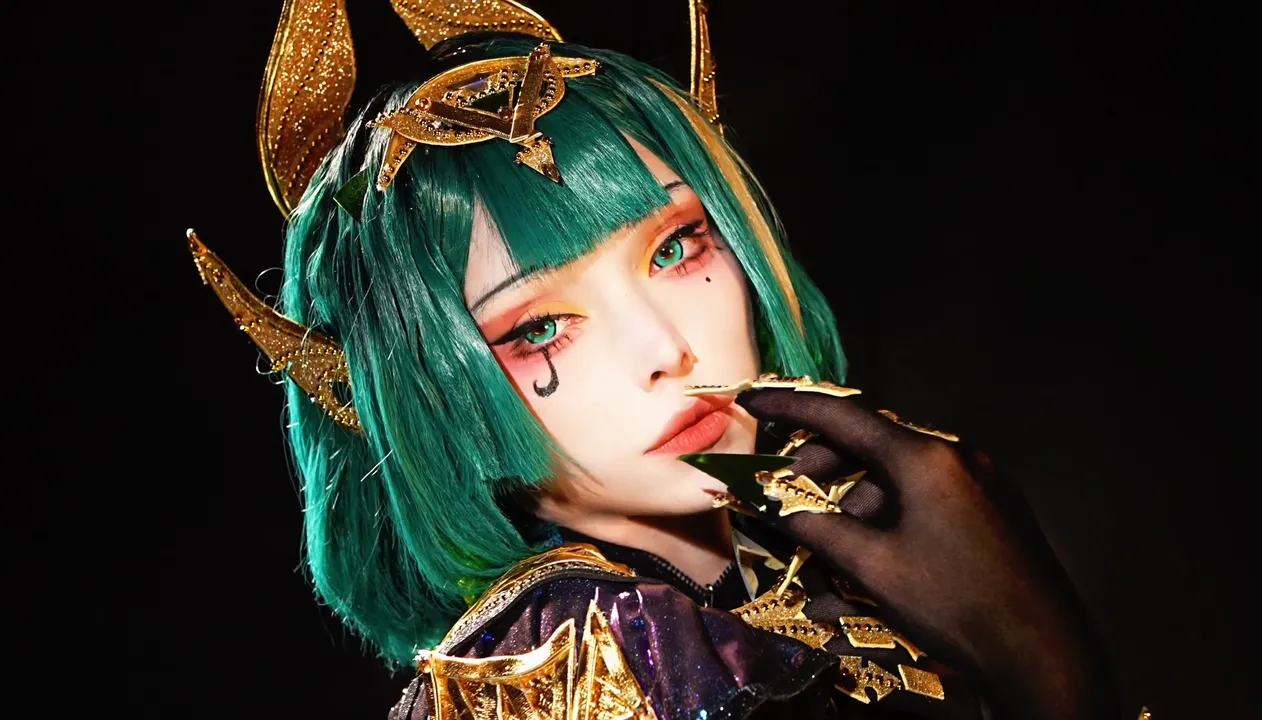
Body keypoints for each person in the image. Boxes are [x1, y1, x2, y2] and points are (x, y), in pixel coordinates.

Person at [189, 1, 1146, 717]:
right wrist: (1049, 668)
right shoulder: (568, 663)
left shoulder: (800, 585)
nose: (665, 349)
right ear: (426, 403)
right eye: (538, 328)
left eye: (676, 248)